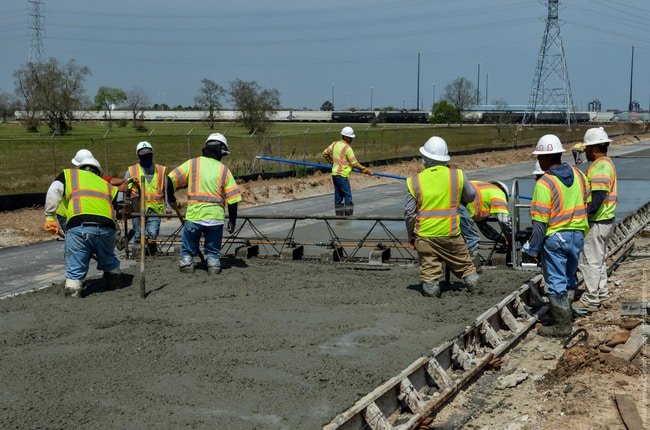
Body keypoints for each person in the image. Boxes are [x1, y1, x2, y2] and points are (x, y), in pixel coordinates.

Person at [526, 134, 589, 337]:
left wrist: (533, 249)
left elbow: (540, 223)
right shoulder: (579, 175)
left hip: (555, 238)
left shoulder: (544, 183)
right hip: (577, 235)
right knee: (570, 276)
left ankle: (562, 326)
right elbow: (586, 201)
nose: (538, 160)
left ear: (544, 158)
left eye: (539, 157)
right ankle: (567, 314)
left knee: (555, 281)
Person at [405, 136, 479, 298]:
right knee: (466, 267)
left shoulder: (414, 181)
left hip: (425, 237)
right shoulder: (457, 175)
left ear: (426, 159)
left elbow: (410, 213)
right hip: (451, 234)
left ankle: (432, 298)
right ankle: (476, 293)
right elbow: (470, 196)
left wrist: (411, 235)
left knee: (430, 273)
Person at [43, 156, 122, 298]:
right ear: (98, 172)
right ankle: (115, 283)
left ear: (81, 168)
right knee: (108, 258)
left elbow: (54, 191)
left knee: (75, 265)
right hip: (107, 229)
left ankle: (73, 292)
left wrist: (49, 217)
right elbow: (116, 210)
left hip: (79, 228)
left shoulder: (70, 175)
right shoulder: (107, 185)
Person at [166, 133, 241, 275]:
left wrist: (171, 199)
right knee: (213, 250)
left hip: (194, 216)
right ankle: (213, 264)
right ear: (220, 150)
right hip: (215, 219)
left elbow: (170, 179)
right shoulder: (224, 170)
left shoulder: (192, 164)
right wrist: (232, 221)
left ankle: (187, 264)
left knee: (188, 248)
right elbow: (233, 199)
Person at [573, 127, 617, 313]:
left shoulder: (600, 167)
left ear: (594, 148)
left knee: (589, 261)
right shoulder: (606, 164)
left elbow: (597, 198)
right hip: (606, 220)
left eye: (587, 149)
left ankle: (590, 299)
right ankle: (601, 294)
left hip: (598, 221)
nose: (586, 153)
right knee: (598, 260)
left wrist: (583, 217)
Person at [55, 149, 128, 233]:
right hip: (66, 212)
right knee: (74, 236)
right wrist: (119, 188)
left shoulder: (91, 176)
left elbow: (108, 181)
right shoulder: (73, 177)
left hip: (80, 212)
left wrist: (124, 181)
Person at [460, 180, 513, 272]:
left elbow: (484, 228)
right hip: (458, 208)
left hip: (447, 205)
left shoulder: (484, 191)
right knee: (472, 239)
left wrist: (500, 239)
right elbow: (504, 220)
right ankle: (474, 271)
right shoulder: (498, 193)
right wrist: (511, 238)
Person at [125, 141, 167, 255]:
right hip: (137, 208)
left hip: (155, 208)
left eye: (149, 155)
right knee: (139, 233)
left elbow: (166, 189)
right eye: (144, 156)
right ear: (138, 156)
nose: (147, 158)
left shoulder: (161, 170)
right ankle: (138, 254)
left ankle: (151, 253)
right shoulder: (131, 171)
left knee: (152, 233)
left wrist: (168, 205)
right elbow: (124, 190)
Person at [322, 126, 373, 216]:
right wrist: (366, 170)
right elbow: (354, 163)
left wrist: (332, 162)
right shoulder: (347, 148)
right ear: (345, 137)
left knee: (338, 196)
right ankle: (349, 216)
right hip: (342, 175)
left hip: (335, 174)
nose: (351, 140)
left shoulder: (334, 144)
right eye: (350, 138)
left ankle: (339, 216)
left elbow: (325, 153)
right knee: (347, 196)